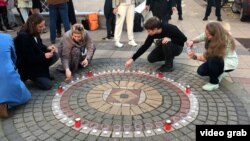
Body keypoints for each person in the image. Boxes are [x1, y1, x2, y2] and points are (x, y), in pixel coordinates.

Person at [186, 22, 238, 91]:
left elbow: (206, 58)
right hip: (219, 60)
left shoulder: (223, 43)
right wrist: (192, 41)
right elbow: (201, 36)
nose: (207, 36)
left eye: (209, 35)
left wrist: (194, 57)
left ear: (216, 35)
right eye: (206, 33)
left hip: (228, 63)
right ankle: (218, 72)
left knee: (212, 59)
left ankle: (214, 83)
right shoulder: (213, 33)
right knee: (201, 71)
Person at [14, 14, 59, 90]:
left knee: (55, 55)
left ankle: (43, 75)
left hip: (36, 61)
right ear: (33, 25)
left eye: (43, 25)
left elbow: (39, 45)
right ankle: (33, 77)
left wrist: (47, 47)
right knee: (47, 86)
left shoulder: (35, 32)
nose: (43, 28)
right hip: (28, 67)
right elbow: (28, 58)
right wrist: (44, 55)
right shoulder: (23, 37)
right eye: (40, 26)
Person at [0, 33, 31, 118]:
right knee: (25, 96)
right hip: (7, 73)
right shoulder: (7, 37)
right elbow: (14, 56)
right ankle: (5, 103)